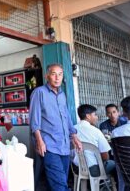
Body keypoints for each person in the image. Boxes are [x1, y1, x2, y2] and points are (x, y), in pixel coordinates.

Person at [29, 63, 82, 191]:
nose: (57, 78)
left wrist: (74, 136)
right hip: (49, 145)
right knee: (60, 185)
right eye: (53, 74)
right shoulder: (39, 92)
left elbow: (67, 117)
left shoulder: (62, 95)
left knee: (61, 180)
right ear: (47, 76)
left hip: (64, 145)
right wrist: (39, 141)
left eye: (60, 74)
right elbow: (34, 120)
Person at [72, 104, 115, 177]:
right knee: (114, 164)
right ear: (88, 116)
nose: (97, 117)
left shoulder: (72, 130)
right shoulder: (95, 131)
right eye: (95, 115)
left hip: (76, 169)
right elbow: (105, 156)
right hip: (93, 170)